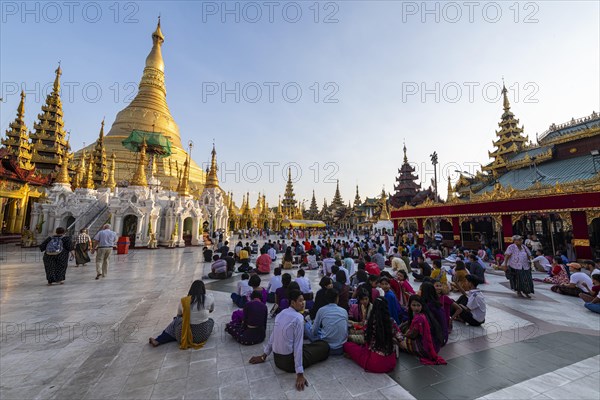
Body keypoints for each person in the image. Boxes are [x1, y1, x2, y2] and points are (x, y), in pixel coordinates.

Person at [249, 290, 330, 391]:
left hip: (277, 360)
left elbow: (273, 336)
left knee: (310, 346)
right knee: (324, 346)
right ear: (292, 302)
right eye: (300, 301)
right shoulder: (298, 318)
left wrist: (263, 356)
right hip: (289, 363)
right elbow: (298, 346)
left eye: (303, 301)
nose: (303, 303)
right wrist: (299, 374)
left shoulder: (280, 314)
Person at [149, 280, 214, 348]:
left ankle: (159, 340)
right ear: (203, 289)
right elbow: (211, 310)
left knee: (176, 321)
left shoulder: (184, 301)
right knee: (211, 321)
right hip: (202, 336)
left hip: (183, 337)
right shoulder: (209, 298)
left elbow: (179, 315)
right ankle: (168, 336)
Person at [343, 297, 402, 373]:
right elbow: (400, 338)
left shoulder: (370, 322)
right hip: (391, 363)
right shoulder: (391, 322)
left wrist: (350, 336)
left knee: (347, 345)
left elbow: (364, 339)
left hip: (374, 364)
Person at [398, 295, 447, 365]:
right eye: (414, 305)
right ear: (410, 305)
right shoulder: (426, 313)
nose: (416, 308)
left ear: (422, 306)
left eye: (418, 305)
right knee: (404, 329)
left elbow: (412, 335)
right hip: (435, 345)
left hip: (425, 349)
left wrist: (402, 335)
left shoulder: (419, 318)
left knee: (398, 340)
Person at [304, 288, 348, 355]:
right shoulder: (344, 311)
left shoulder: (321, 310)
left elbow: (314, 332)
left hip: (325, 347)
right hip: (341, 347)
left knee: (307, 325)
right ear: (337, 298)